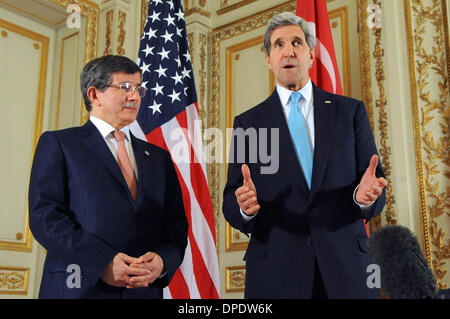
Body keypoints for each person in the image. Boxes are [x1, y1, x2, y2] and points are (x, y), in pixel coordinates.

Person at [223, 12, 388, 298]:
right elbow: (231, 199)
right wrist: (244, 208)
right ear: (268, 58)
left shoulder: (349, 112)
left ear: (311, 54)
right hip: (276, 273)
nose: (288, 51)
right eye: (278, 45)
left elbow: (374, 182)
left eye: (297, 42)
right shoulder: (248, 123)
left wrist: (364, 198)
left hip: (346, 269)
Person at [28, 55, 188, 298]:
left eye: (138, 89)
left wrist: (163, 261)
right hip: (79, 288)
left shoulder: (158, 157)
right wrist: (101, 261)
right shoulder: (60, 143)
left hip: (143, 293)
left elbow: (176, 224)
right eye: (125, 87)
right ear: (94, 95)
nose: (135, 97)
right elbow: (45, 218)